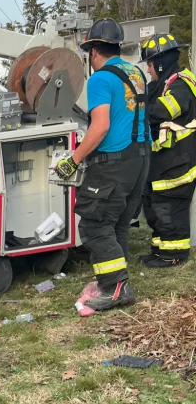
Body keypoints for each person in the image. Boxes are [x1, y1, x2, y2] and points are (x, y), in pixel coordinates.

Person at [55, 18, 149, 314]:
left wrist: (73, 160)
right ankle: (113, 281)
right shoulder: (135, 73)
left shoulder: (100, 79)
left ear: (94, 51)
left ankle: (116, 287)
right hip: (140, 158)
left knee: (95, 225)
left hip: (113, 162)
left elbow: (100, 126)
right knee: (118, 224)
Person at [139, 34, 196, 267]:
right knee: (155, 206)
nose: (149, 70)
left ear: (161, 63)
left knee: (170, 207)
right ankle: (160, 250)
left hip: (179, 161)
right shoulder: (164, 83)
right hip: (166, 161)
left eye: (150, 65)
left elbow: (163, 110)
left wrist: (136, 109)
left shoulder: (182, 82)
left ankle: (174, 255)